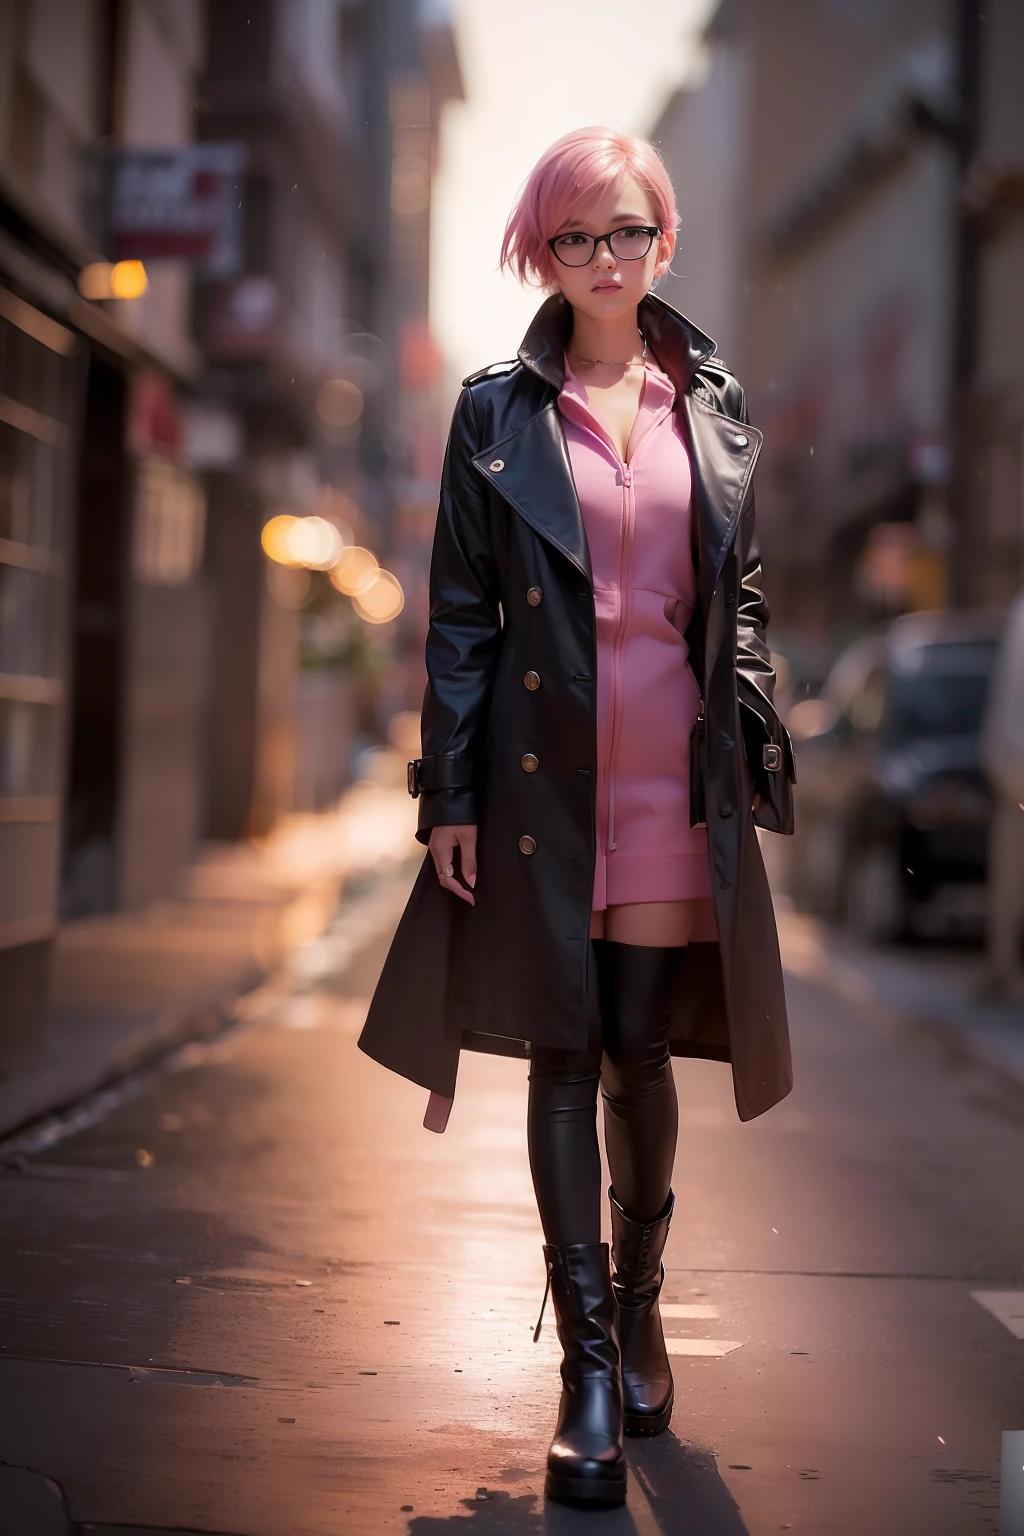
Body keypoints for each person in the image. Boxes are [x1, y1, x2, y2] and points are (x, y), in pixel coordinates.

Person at [358, 126, 796, 1509]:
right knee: (561, 1047)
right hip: (546, 782)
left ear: (664, 239)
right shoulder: (496, 411)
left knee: (633, 1047)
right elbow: (462, 622)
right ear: (538, 254)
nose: (604, 260)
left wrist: (759, 735)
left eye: (628, 233)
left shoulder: (712, 406)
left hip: (675, 780)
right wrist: (450, 791)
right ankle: (590, 1371)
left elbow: (743, 600)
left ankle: (645, 1299)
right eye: (574, 238)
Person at [980, 593, 1024, 1001]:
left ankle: (1004, 966)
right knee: (1011, 882)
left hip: (1012, 769)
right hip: (1015, 773)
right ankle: (1004, 966)